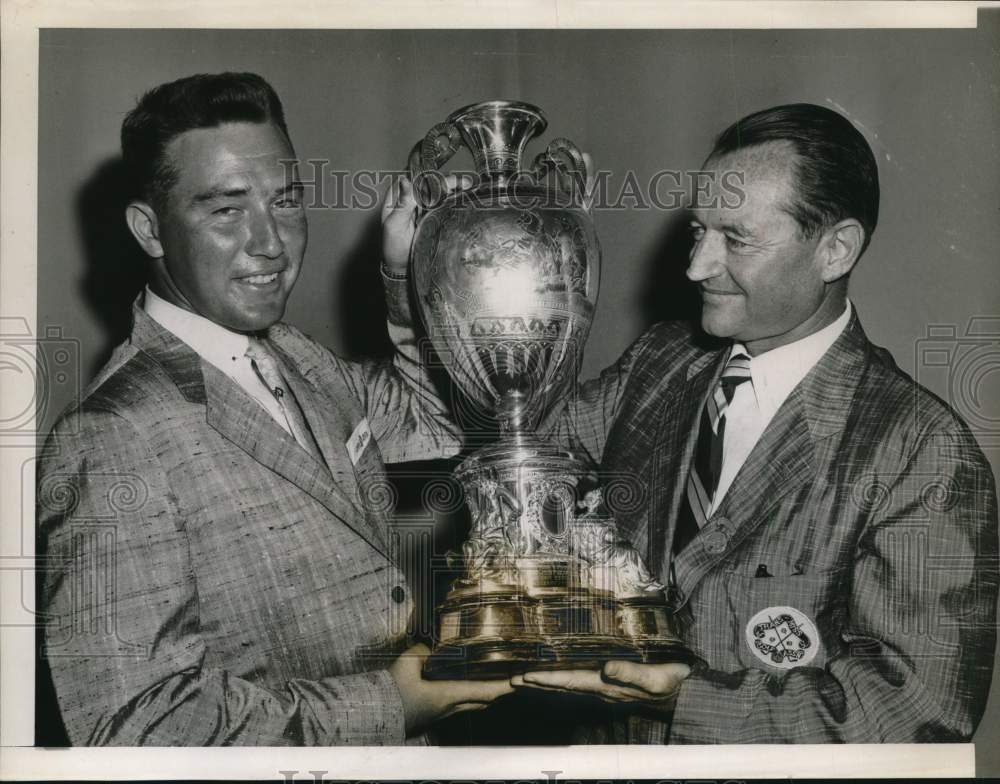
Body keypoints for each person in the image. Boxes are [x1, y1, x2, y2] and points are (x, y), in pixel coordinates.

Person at [36, 71, 510, 746]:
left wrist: (408, 281)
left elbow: (436, 425)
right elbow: (136, 728)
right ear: (149, 229)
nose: (271, 241)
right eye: (226, 210)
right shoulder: (109, 438)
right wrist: (393, 705)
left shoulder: (297, 358)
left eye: (285, 201)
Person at [499, 103, 998, 742]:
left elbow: (916, 719)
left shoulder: (922, 453)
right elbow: (513, 442)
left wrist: (687, 700)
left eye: (736, 239)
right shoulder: (660, 363)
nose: (697, 266)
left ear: (835, 250)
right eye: (697, 232)